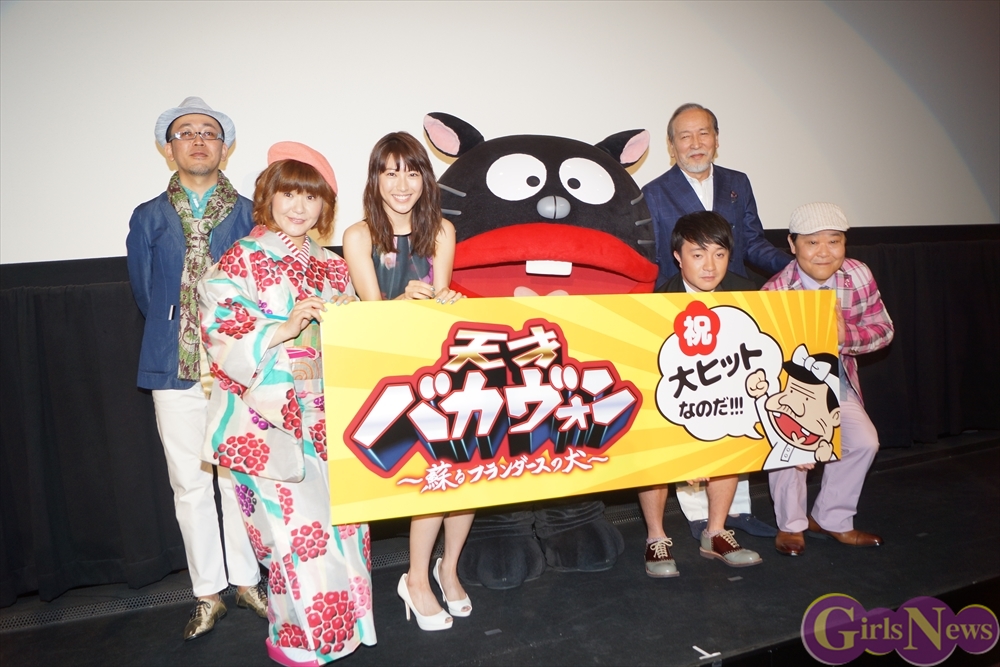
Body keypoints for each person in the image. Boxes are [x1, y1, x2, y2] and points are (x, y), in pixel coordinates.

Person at [198, 142, 376, 666]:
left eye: (311, 197)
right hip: (268, 420)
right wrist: (283, 327)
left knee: (343, 529)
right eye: (289, 194)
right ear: (268, 198)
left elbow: (360, 335)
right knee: (295, 538)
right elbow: (220, 324)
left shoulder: (332, 266)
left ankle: (345, 633)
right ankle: (300, 641)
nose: (299, 207)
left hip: (329, 417)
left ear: (325, 206)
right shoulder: (242, 258)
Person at [126, 97, 265, 640]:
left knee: (239, 478)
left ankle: (248, 580)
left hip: (240, 366)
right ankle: (208, 593)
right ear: (169, 149)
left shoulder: (252, 212)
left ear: (225, 148)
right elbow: (146, 293)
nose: (198, 140)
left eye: (209, 131)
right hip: (173, 365)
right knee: (189, 482)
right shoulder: (148, 216)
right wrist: (183, 334)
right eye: (186, 132)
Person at [342, 131, 470, 632]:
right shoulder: (359, 236)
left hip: (437, 369)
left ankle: (448, 568)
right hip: (387, 376)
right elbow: (371, 318)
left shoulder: (442, 231)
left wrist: (448, 302)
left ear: (425, 179)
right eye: (391, 172)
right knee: (434, 475)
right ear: (375, 178)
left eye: (412, 172)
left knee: (469, 468)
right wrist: (403, 302)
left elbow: (441, 302)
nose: (402, 184)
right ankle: (415, 579)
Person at [642, 102, 787, 541]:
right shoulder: (653, 191)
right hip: (677, 311)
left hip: (735, 305)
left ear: (717, 139)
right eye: (684, 136)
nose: (695, 143)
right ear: (671, 146)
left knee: (735, 404)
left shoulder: (737, 183)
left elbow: (753, 243)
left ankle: (736, 512)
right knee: (694, 404)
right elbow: (652, 258)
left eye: (703, 133)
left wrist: (794, 268)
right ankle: (697, 515)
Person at [762, 202, 894, 556]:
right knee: (789, 445)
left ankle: (830, 518)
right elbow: (767, 364)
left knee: (864, 442)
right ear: (792, 245)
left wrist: (845, 336)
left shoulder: (858, 275)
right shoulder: (774, 294)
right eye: (812, 242)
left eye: (834, 241)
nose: (824, 252)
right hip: (789, 386)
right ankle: (791, 526)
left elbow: (884, 329)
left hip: (838, 380)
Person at [640, 211, 763, 577]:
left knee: (734, 425)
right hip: (669, 404)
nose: (710, 266)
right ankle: (656, 537)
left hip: (723, 398)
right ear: (678, 256)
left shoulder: (749, 295)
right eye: (698, 254)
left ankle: (716, 532)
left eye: (719, 254)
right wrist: (685, 450)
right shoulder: (654, 304)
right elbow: (648, 382)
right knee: (649, 444)